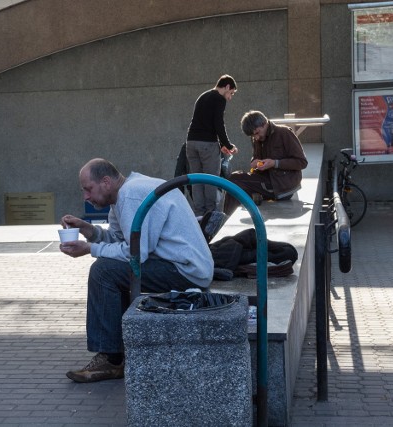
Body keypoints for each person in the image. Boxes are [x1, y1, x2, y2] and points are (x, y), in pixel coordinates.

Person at [60, 158, 214, 383]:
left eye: (88, 189)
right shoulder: (121, 197)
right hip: (177, 265)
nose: (85, 196)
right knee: (110, 269)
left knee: (103, 272)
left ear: (105, 182)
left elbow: (136, 253)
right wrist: (88, 230)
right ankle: (117, 351)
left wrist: (90, 249)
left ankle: (111, 359)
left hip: (186, 271)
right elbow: (119, 239)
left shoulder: (132, 195)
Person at [223, 110, 308, 216]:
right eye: (253, 136)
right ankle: (228, 216)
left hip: (282, 185)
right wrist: (254, 162)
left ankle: (225, 217)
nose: (256, 138)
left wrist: (275, 163)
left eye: (257, 133)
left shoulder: (284, 133)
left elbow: (302, 162)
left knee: (234, 179)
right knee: (236, 182)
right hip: (265, 180)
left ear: (264, 124)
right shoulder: (257, 138)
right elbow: (257, 156)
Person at [186, 74, 239, 216]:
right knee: (211, 180)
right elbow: (218, 123)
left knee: (196, 180)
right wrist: (227, 144)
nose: (230, 97)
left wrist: (221, 144)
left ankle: (198, 214)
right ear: (227, 87)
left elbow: (203, 121)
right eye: (231, 93)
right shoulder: (219, 99)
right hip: (207, 144)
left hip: (191, 143)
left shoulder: (203, 96)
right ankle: (211, 215)